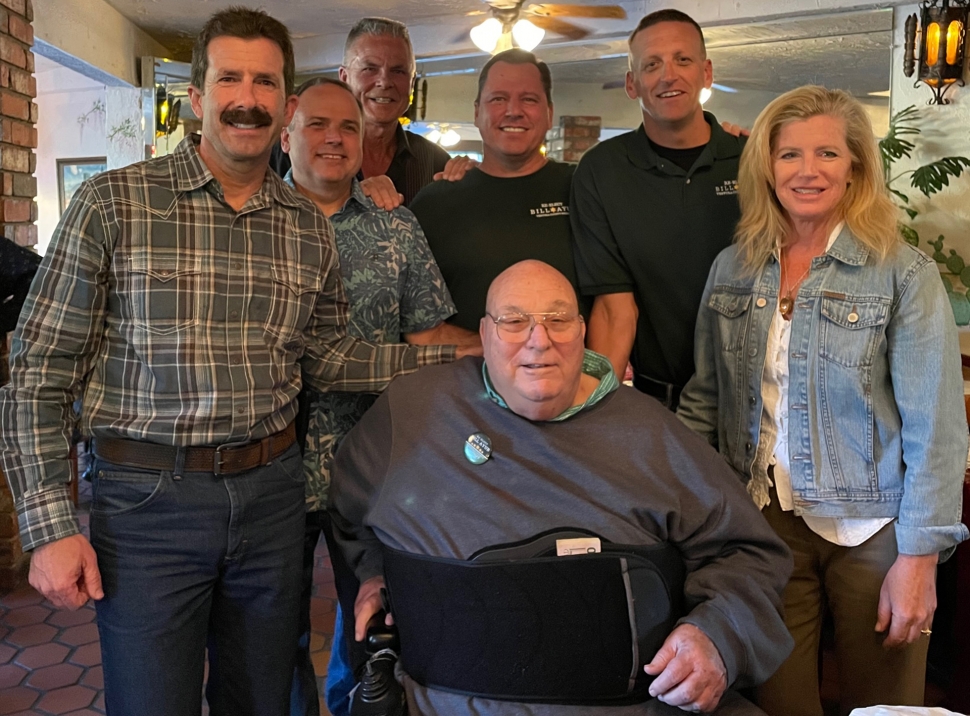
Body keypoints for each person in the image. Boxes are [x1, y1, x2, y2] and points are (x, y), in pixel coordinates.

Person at [0, 9, 468, 716]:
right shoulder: (114, 204)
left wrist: (464, 355)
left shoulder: (306, 226)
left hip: (271, 501)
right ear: (197, 97)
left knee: (263, 699)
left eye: (265, 81)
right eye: (229, 78)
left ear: (283, 102)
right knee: (153, 702)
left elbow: (331, 358)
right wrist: (49, 526)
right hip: (147, 504)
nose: (247, 96)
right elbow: (39, 369)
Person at [332, 259, 794, 716]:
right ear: (485, 333)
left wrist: (717, 637)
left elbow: (751, 553)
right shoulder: (414, 411)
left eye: (558, 321)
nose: (539, 340)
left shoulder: (653, 435)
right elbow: (347, 514)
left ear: (582, 332)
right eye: (514, 321)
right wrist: (375, 570)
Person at [677, 85, 969, 716]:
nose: (807, 171)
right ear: (766, 167)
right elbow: (706, 403)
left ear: (856, 167)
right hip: (763, 526)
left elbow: (937, 430)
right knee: (778, 705)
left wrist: (920, 560)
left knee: (886, 709)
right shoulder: (732, 267)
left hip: (873, 530)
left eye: (828, 154)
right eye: (789, 155)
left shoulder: (902, 272)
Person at [279, 76, 477, 716]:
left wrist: (502, 344)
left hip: (377, 465)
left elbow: (428, 333)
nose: (335, 138)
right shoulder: (249, 225)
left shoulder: (396, 227)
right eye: (318, 124)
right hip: (269, 471)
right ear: (286, 135)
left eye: (348, 127)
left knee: (376, 630)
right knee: (269, 634)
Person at [571, 10, 745, 409]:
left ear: (707, 72)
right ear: (632, 84)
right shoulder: (601, 171)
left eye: (683, 60)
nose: (669, 75)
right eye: (652, 65)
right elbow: (616, 311)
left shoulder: (753, 162)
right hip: (659, 404)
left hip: (757, 404)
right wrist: (596, 412)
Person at [410, 49, 587, 333]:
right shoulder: (434, 203)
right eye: (498, 99)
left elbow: (613, 300)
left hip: (571, 374)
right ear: (477, 112)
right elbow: (414, 323)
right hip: (461, 375)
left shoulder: (585, 189)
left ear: (549, 113)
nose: (513, 111)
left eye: (529, 99)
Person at [271, 17, 461, 207]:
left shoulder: (434, 161)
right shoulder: (287, 151)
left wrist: (474, 180)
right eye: (370, 68)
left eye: (398, 71)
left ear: (412, 83)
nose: (384, 82)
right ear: (344, 77)